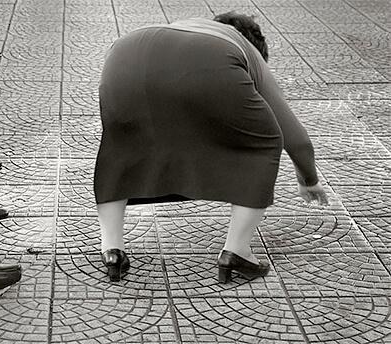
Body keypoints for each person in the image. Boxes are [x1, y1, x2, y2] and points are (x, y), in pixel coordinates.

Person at [94, 12, 329, 283]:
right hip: (208, 65)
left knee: (122, 145)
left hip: (123, 55)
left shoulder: (186, 27)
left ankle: (112, 250)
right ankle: (237, 251)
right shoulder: (242, 46)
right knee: (264, 142)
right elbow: (294, 136)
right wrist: (308, 180)